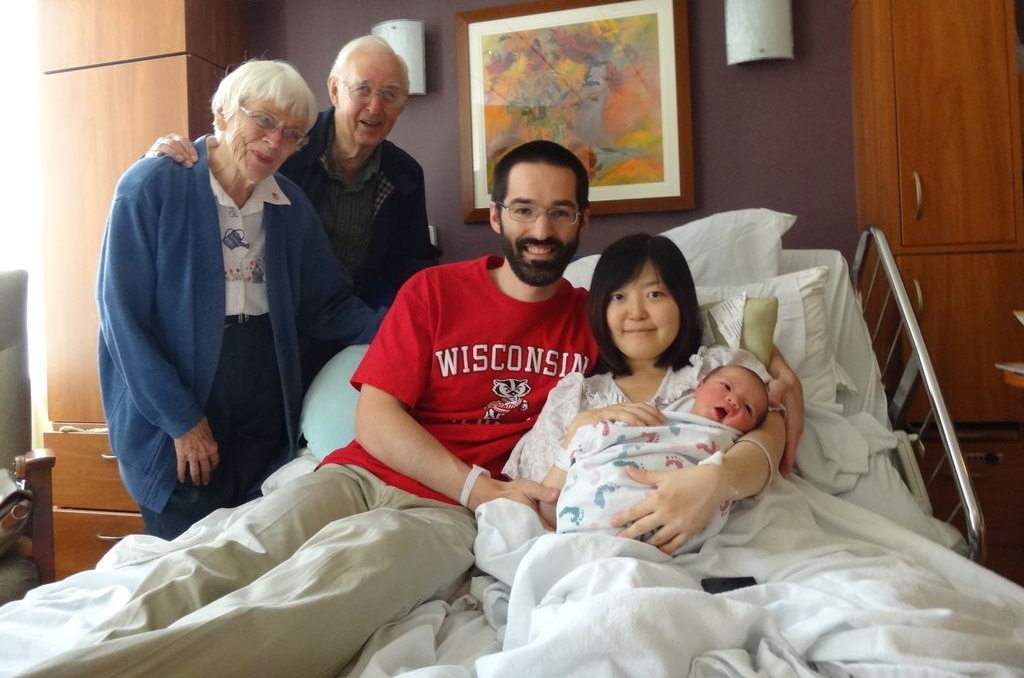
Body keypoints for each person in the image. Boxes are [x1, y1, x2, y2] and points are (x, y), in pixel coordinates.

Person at [26, 143, 792, 678]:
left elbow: (746, 396)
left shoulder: (601, 317)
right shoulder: (433, 292)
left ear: (582, 224)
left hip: (445, 522)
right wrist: (477, 484)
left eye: (561, 213)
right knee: (225, 554)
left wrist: (765, 410)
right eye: (525, 210)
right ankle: (72, 650)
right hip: (361, 476)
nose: (542, 230)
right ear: (497, 216)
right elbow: (375, 419)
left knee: (315, 597)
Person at [96, 58, 382, 540]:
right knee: (182, 554)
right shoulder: (151, 187)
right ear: (223, 113)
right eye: (263, 120)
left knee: (254, 544)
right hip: (180, 394)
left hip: (263, 392)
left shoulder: (290, 206)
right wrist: (181, 421)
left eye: (291, 133)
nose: (274, 141)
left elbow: (329, 305)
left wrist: (407, 330)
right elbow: (121, 320)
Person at [505, 232, 799, 555]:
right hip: (598, 552)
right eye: (618, 297)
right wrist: (577, 430)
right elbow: (544, 508)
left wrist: (718, 480)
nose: (636, 313)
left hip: (712, 548)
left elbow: (770, 441)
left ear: (682, 301)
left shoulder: (720, 372)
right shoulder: (575, 398)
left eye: (654, 294)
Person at [148, 35, 439, 311]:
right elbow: (222, 159)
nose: (375, 107)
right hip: (283, 311)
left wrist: (401, 324)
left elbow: (410, 266)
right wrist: (163, 157)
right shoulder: (285, 151)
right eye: (362, 89)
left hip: (347, 314)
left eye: (389, 94)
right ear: (335, 90)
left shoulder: (405, 174)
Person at [554, 364, 775, 554]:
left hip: (667, 529)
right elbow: (552, 491)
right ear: (698, 388)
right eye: (726, 387)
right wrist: (584, 431)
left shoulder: (729, 442)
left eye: (748, 408)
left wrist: (720, 478)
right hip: (582, 511)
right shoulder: (653, 417)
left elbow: (764, 449)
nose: (734, 400)